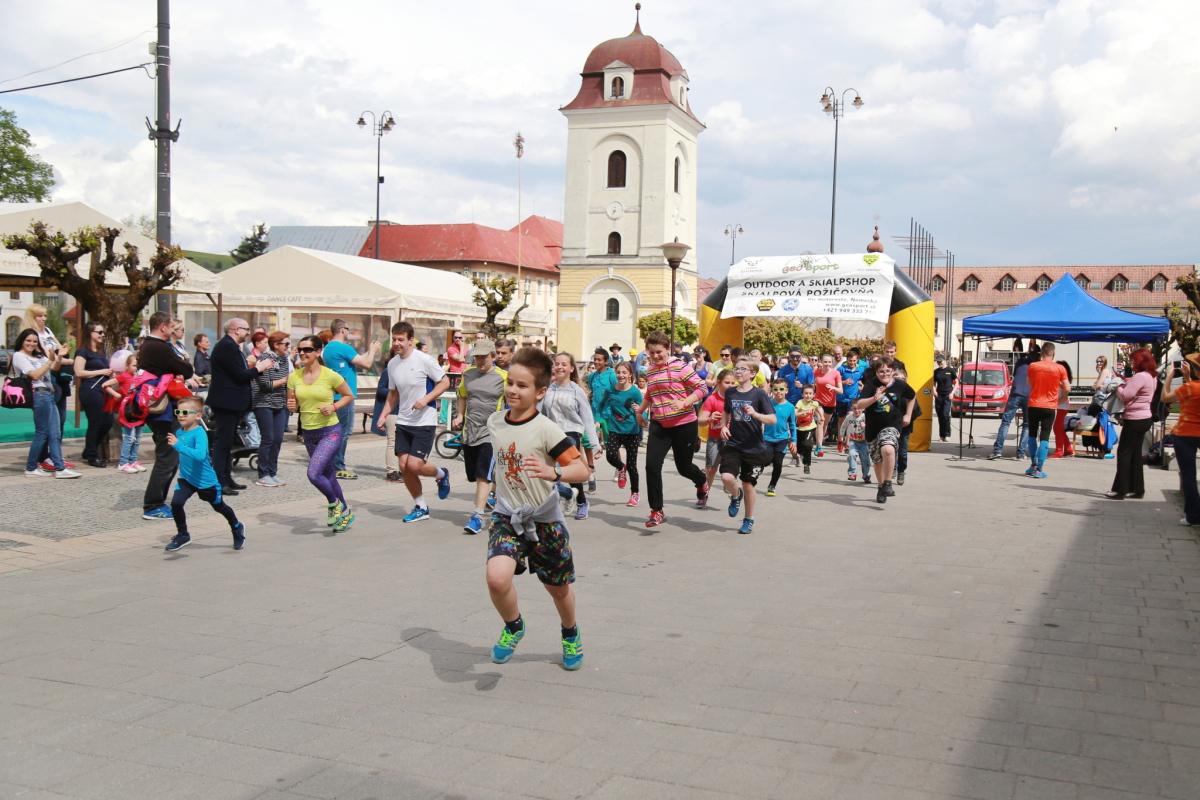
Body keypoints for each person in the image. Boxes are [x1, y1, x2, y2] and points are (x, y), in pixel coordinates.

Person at [484, 346, 588, 670]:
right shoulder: (495, 422)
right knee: (497, 579)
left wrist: (554, 472)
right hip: (507, 517)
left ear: (540, 392)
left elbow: (582, 470)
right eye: (510, 383)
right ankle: (514, 625)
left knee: (557, 589)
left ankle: (570, 632)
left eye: (522, 385)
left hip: (544, 520)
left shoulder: (547, 429)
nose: (513, 390)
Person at [379, 321, 452, 524]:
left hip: (424, 420)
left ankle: (441, 474)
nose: (397, 343)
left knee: (415, 464)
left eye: (401, 339)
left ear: (411, 340)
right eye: (394, 339)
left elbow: (444, 382)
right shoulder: (393, 363)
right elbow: (393, 394)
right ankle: (421, 506)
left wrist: (426, 399)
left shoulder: (425, 360)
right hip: (403, 420)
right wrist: (383, 414)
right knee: (404, 466)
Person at [638, 330, 710, 528]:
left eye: (659, 352)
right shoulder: (650, 370)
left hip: (684, 424)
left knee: (683, 467)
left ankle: (701, 480)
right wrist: (641, 411)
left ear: (667, 349)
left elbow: (702, 388)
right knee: (651, 465)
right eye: (651, 353)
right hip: (659, 424)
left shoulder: (681, 367)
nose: (655, 356)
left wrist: (685, 402)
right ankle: (656, 510)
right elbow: (651, 393)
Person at [286, 335, 356, 532]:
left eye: (308, 349)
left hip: (330, 431)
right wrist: (291, 405)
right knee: (328, 475)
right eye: (300, 349)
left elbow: (349, 395)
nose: (302, 353)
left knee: (314, 473)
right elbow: (293, 405)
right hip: (309, 433)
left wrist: (333, 407)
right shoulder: (294, 377)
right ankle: (345, 513)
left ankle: (334, 504)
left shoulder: (330, 375)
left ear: (318, 352)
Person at [163, 395, 246, 553]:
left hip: (205, 481)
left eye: (185, 412)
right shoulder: (179, 432)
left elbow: (200, 456)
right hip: (186, 479)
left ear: (198, 416)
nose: (180, 414)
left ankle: (236, 526)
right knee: (176, 504)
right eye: (178, 411)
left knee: (219, 507)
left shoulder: (199, 433)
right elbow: (182, 452)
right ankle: (183, 534)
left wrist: (178, 446)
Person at [206, 318, 275, 496]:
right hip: (226, 403)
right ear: (236, 330)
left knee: (228, 443)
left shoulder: (231, 346)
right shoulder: (226, 346)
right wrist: (259, 368)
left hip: (232, 403)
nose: (248, 332)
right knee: (223, 443)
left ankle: (227, 479)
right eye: (246, 329)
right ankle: (220, 482)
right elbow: (239, 375)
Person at [138, 312, 196, 519]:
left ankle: (158, 501)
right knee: (167, 455)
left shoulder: (149, 345)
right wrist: (181, 366)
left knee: (171, 454)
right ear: (162, 327)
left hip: (162, 408)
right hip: (162, 410)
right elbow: (185, 369)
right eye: (171, 326)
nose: (173, 331)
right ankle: (153, 504)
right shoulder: (158, 346)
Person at [454, 339, 506, 534]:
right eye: (477, 357)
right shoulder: (468, 375)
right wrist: (459, 415)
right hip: (470, 431)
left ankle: (477, 516)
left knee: (482, 475)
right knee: (475, 474)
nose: (480, 361)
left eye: (484, 357)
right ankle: (500, 498)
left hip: (492, 433)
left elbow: (516, 399)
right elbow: (462, 396)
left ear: (493, 356)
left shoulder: (503, 377)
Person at [13, 328, 80, 479]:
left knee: (55, 433)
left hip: (49, 394)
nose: (31, 343)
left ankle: (59, 468)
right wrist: (50, 360)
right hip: (38, 394)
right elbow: (35, 375)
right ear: (22, 341)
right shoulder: (19, 356)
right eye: (28, 340)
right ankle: (31, 467)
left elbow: (54, 369)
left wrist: (58, 357)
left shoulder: (38, 356)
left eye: (35, 341)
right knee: (42, 433)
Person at [719, 358, 776, 534]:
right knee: (727, 478)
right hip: (734, 443)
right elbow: (726, 411)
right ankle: (736, 496)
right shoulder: (730, 393)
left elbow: (772, 419)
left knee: (748, 484)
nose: (738, 372)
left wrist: (755, 414)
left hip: (754, 447)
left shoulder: (759, 394)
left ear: (752, 374)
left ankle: (748, 519)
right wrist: (723, 426)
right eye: (736, 369)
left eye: (742, 369)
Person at [541, 353, 599, 520]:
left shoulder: (576, 390)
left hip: (570, 433)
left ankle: (581, 503)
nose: (559, 367)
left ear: (571, 368)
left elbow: (587, 417)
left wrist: (595, 444)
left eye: (564, 364)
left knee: (569, 470)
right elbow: (541, 413)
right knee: (546, 473)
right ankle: (567, 493)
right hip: (551, 433)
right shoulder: (548, 389)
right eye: (557, 364)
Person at [323, 319, 381, 480]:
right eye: (348, 329)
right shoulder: (343, 347)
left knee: (334, 432)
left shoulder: (328, 348)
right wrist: (373, 349)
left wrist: (368, 352)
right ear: (342, 330)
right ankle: (338, 466)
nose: (349, 332)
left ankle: (330, 463)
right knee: (344, 432)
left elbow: (357, 359)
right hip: (344, 396)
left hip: (334, 395)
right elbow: (367, 364)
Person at [855, 358, 915, 503]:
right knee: (877, 460)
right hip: (873, 428)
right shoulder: (871, 384)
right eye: (881, 371)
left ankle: (888, 483)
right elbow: (860, 404)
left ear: (893, 371)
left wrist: (908, 414)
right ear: (876, 372)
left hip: (892, 425)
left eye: (888, 371)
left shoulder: (900, 385)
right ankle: (881, 486)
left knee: (888, 449)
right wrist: (875, 398)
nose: (884, 374)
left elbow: (912, 396)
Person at [22, 303, 72, 470]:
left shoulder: (48, 331)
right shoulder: (32, 336)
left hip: (58, 377)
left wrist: (67, 357)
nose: (43, 319)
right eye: (39, 316)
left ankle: (54, 457)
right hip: (45, 379)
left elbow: (58, 352)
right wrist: (60, 357)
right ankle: (42, 459)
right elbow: (46, 359)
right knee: (46, 425)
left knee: (60, 420)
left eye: (44, 315)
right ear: (32, 317)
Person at [1105, 347, 1157, 499]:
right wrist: (1126, 380)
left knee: (1124, 454)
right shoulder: (1151, 376)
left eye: (1134, 360)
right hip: (1145, 418)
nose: (1132, 362)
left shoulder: (1140, 376)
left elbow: (1126, 395)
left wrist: (1118, 386)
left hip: (1134, 419)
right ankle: (1137, 489)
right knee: (1135, 455)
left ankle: (1120, 490)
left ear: (1141, 361)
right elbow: (1137, 387)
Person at [1023, 342, 1071, 480]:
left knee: (1032, 435)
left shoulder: (1033, 366)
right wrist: (1060, 397)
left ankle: (1032, 465)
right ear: (1053, 353)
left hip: (1034, 404)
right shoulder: (1060, 368)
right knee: (1044, 437)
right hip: (1049, 407)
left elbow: (1029, 383)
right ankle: (1039, 469)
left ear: (1041, 353)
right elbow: (1067, 388)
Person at [1163, 354, 1200, 526]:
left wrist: (1170, 376)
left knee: (1189, 476)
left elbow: (1165, 397)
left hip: (1185, 434)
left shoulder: (1189, 388)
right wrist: (1187, 377)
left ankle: (1193, 516)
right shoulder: (1191, 386)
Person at [601, 361, 644, 506]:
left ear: (630, 374)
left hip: (632, 430)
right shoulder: (611, 390)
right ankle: (621, 467)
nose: (621, 375)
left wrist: (639, 411)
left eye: (624, 372)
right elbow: (601, 405)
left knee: (632, 465)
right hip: (615, 429)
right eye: (618, 372)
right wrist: (599, 418)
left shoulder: (635, 392)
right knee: (610, 455)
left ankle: (635, 494)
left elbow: (644, 412)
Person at [252, 332, 291, 487]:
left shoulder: (284, 359)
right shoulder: (265, 359)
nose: (289, 347)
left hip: (280, 403)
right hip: (264, 403)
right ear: (276, 345)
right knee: (268, 438)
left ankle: (272, 472)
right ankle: (263, 474)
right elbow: (265, 385)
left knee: (278, 439)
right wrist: (285, 380)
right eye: (286, 344)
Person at [73, 321, 114, 468]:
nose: (102, 335)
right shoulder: (83, 351)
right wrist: (101, 371)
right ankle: (92, 455)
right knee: (96, 422)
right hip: (90, 390)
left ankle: (89, 449)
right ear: (91, 333)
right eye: (99, 332)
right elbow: (79, 372)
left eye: (103, 332)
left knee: (108, 421)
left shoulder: (101, 352)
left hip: (102, 389)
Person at [989, 341, 1037, 460]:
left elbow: (1016, 375)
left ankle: (998, 450)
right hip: (1029, 396)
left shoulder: (1020, 362)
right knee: (1027, 425)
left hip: (1016, 393)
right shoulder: (1038, 365)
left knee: (1006, 422)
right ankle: (1021, 453)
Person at [699, 368, 735, 497]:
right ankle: (705, 493)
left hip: (732, 440)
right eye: (727, 382)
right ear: (718, 383)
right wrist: (709, 419)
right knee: (711, 469)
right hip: (714, 438)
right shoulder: (711, 399)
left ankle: (729, 486)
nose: (730, 385)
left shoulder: (737, 399)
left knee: (730, 469)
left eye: (733, 383)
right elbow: (700, 421)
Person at [109, 352, 145, 473]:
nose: (136, 368)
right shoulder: (124, 376)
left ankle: (133, 460)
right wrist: (117, 394)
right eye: (134, 365)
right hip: (127, 411)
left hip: (138, 409)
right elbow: (105, 385)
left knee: (138, 437)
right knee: (129, 437)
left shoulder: (138, 377)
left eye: (137, 365)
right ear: (127, 366)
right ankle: (123, 462)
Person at [763, 379, 798, 497]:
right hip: (767, 438)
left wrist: (793, 441)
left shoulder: (790, 407)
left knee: (778, 463)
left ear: (786, 391)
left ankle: (772, 485)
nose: (779, 392)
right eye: (776, 389)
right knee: (766, 460)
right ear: (772, 390)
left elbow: (793, 426)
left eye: (781, 389)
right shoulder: (767, 403)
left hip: (782, 440)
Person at [835, 349, 866, 452]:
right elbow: (834, 382)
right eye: (850, 360)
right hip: (841, 398)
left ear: (857, 360)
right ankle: (840, 440)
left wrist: (862, 385)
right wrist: (844, 382)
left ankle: (848, 443)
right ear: (846, 360)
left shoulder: (860, 370)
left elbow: (863, 381)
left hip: (853, 400)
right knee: (841, 420)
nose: (852, 363)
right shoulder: (841, 369)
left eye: (854, 360)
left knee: (851, 420)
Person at [813, 354, 843, 453]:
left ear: (832, 362)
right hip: (818, 401)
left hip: (830, 403)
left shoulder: (836, 373)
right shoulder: (816, 372)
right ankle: (819, 446)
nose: (827, 364)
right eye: (825, 362)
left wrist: (834, 388)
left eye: (829, 362)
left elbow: (841, 391)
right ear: (821, 362)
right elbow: (812, 384)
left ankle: (820, 441)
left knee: (825, 424)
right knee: (820, 421)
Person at [794, 384, 823, 477]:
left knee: (808, 445)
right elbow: (795, 413)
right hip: (799, 428)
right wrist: (803, 412)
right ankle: (801, 456)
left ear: (813, 394)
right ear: (802, 394)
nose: (808, 395)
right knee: (799, 448)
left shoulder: (814, 403)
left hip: (810, 427)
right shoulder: (800, 402)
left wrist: (821, 417)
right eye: (806, 393)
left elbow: (818, 409)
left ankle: (807, 464)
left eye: (810, 393)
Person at [840, 403, 871, 483]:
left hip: (864, 442)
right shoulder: (849, 417)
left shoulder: (865, 417)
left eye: (859, 408)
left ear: (863, 408)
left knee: (865, 459)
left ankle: (866, 475)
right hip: (853, 441)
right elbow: (843, 426)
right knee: (851, 455)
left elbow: (872, 428)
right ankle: (852, 473)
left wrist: (866, 427)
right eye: (854, 408)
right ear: (852, 408)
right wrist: (841, 436)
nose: (857, 410)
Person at [1051, 361, 1076, 459]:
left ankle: (1059, 451)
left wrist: (1054, 403)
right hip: (1061, 406)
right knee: (1059, 428)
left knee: (1057, 427)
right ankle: (1068, 449)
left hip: (1062, 407)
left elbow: (1064, 397)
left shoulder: (1063, 382)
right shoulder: (1061, 380)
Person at [933, 356, 957, 442]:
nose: (939, 363)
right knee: (940, 415)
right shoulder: (936, 372)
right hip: (939, 396)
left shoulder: (950, 370)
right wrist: (934, 391)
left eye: (941, 362)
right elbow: (933, 382)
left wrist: (952, 393)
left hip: (947, 395)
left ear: (945, 361)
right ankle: (941, 435)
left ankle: (947, 434)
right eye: (938, 362)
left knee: (945, 414)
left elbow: (957, 382)